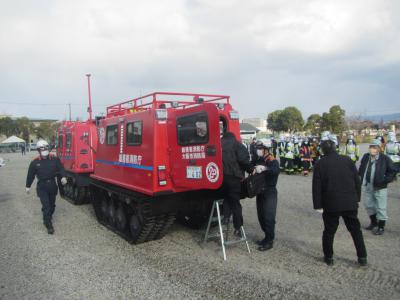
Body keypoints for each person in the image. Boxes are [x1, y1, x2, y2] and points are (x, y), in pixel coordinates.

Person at [312, 134, 367, 266]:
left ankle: (329, 257)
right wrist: (357, 199)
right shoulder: (347, 160)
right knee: (355, 230)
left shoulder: (320, 164)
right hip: (350, 202)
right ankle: (362, 257)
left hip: (331, 204)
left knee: (329, 231)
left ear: (323, 150)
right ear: (336, 147)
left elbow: (317, 187)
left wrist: (318, 205)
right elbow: (357, 181)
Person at [25, 140, 68, 234]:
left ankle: (46, 215)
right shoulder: (35, 162)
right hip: (42, 186)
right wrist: (27, 186)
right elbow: (30, 175)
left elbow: (61, 168)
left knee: (52, 205)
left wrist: (63, 177)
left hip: (52, 185)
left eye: (46, 147)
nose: (44, 149)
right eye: (42, 148)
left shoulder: (55, 159)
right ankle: (48, 224)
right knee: (46, 205)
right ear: (38, 150)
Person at [359, 139, 396, 235]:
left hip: (380, 187)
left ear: (379, 149)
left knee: (381, 207)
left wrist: (385, 180)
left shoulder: (385, 158)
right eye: (371, 147)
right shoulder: (366, 157)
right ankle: (374, 222)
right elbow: (361, 168)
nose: (372, 149)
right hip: (368, 185)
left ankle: (381, 226)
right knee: (368, 205)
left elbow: (392, 171)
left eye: (374, 147)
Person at [221, 131, 254, 236]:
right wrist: (251, 170)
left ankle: (226, 217)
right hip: (233, 177)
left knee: (226, 197)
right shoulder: (237, 144)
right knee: (235, 203)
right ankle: (238, 227)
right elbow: (244, 160)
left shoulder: (218, 144)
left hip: (220, 179)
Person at [253, 140, 280, 251]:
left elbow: (275, 171)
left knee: (269, 217)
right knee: (261, 216)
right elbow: (251, 165)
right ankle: (266, 236)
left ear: (266, 149)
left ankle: (269, 240)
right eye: (258, 148)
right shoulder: (260, 159)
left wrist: (265, 169)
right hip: (260, 191)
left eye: (260, 148)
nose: (258, 150)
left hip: (269, 192)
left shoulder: (272, 160)